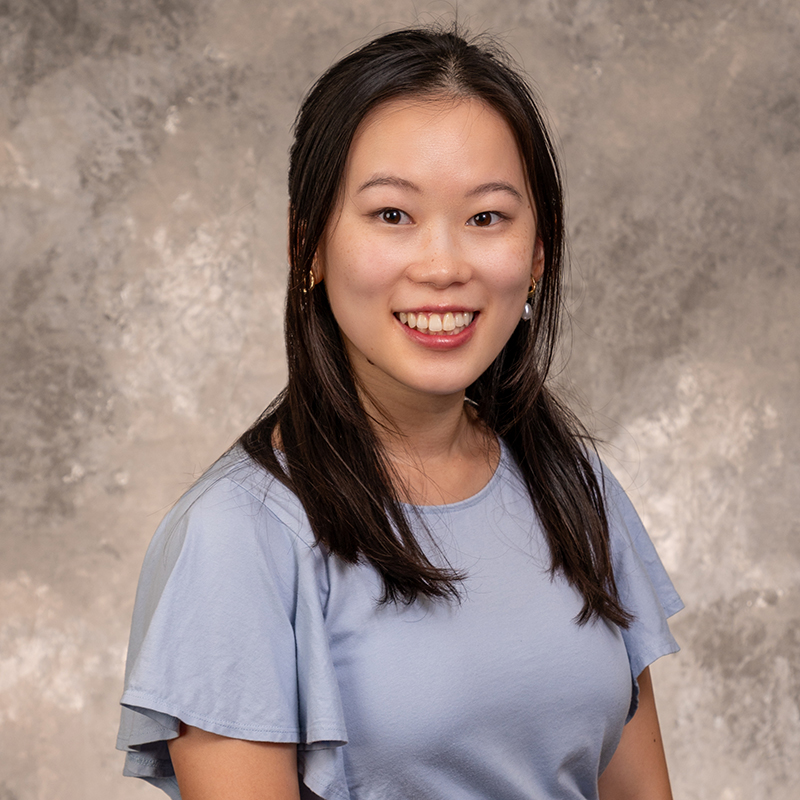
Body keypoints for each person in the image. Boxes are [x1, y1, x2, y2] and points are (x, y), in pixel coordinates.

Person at [117, 25, 682, 800]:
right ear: (307, 245)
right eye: (392, 215)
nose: (444, 266)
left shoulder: (572, 484)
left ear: (538, 253)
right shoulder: (237, 538)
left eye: (487, 217)